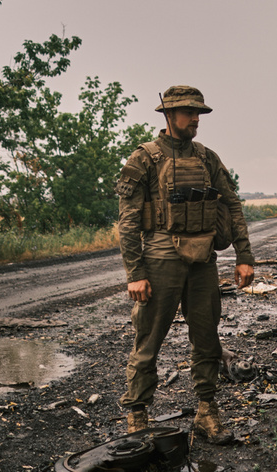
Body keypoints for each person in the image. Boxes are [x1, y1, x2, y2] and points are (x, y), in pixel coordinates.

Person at [114, 85, 254, 444]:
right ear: (168, 115)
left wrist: (243, 256)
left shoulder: (207, 158)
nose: (196, 119)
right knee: (148, 341)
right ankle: (137, 416)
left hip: (204, 260)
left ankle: (207, 412)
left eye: (199, 113)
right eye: (190, 112)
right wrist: (136, 274)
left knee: (207, 339)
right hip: (160, 259)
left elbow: (232, 204)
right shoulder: (144, 158)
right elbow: (128, 221)